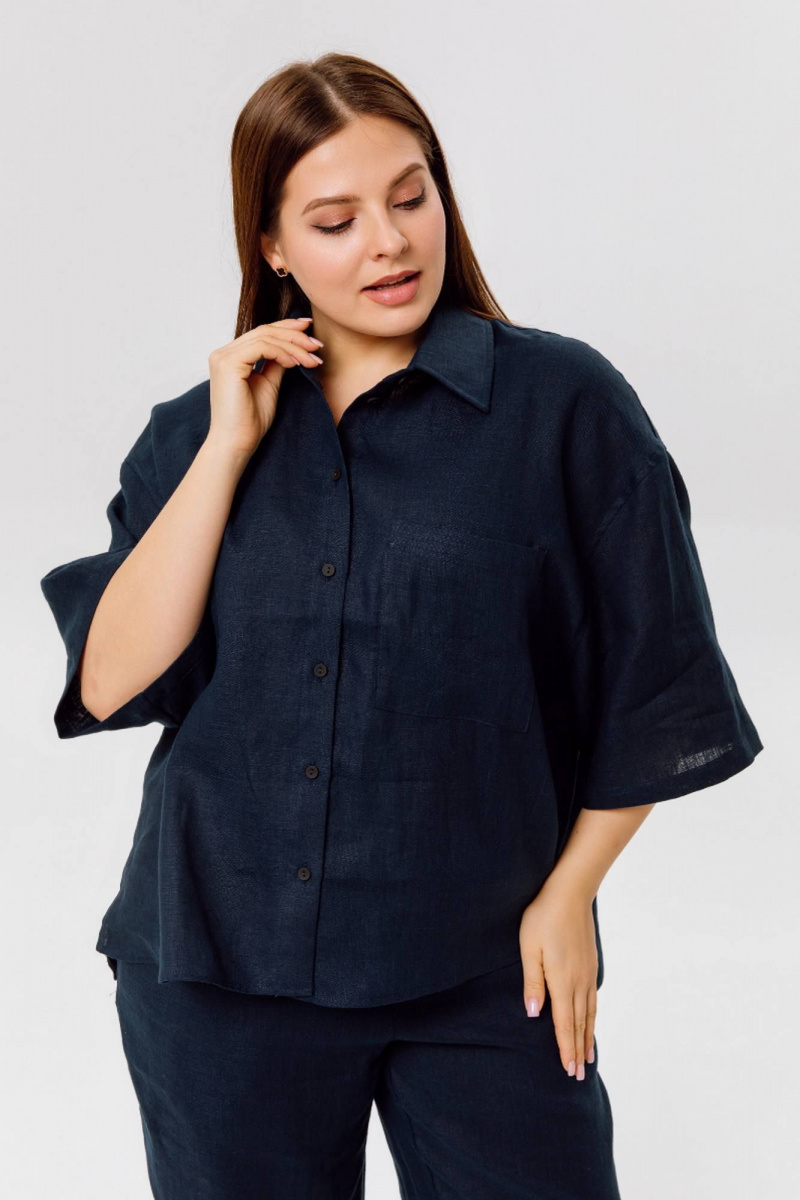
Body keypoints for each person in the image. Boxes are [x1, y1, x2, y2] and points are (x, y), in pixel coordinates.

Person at [40, 51, 763, 1200]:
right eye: (335, 221)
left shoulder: (562, 407)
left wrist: (568, 896)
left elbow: (654, 680)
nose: (388, 242)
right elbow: (112, 678)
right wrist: (227, 449)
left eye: (410, 197)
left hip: (488, 965)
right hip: (220, 968)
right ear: (272, 245)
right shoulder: (192, 434)